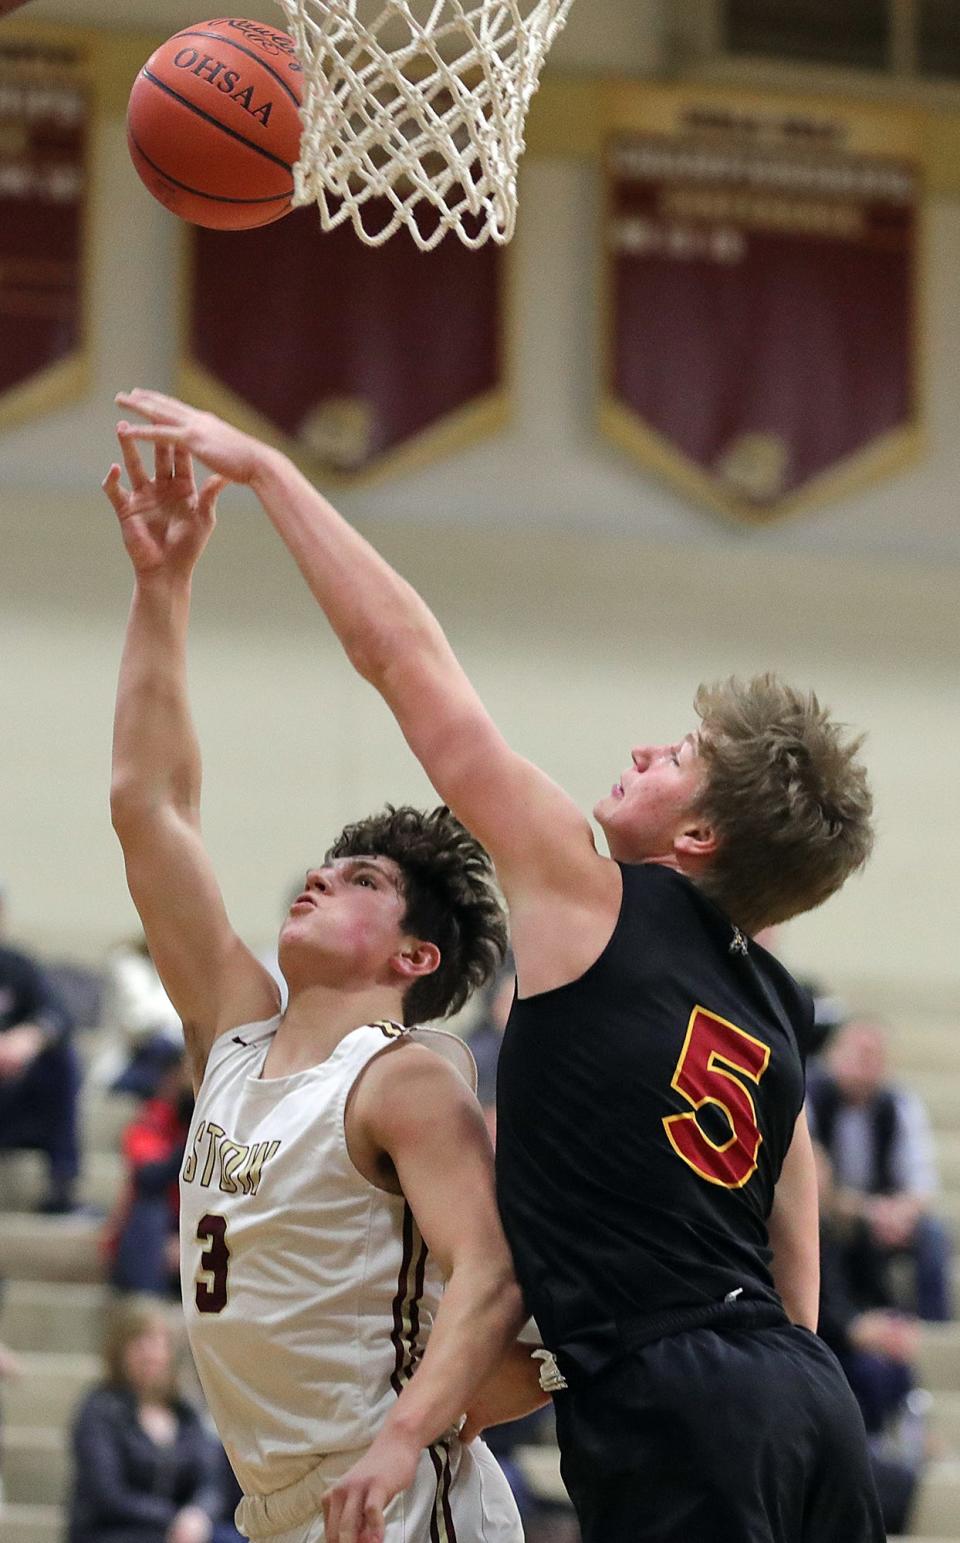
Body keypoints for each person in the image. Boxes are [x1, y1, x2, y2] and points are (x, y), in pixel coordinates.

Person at [111, 388, 885, 1543]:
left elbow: (403, 658)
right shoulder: (759, 996)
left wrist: (273, 473)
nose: (640, 748)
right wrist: (783, 1363)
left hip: (600, 1421)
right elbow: (792, 1180)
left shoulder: (580, 906)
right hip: (788, 1395)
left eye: (677, 754)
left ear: (701, 838)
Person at [102, 423, 538, 1543]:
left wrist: (410, 1435)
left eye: (359, 881)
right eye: (324, 865)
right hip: (277, 1503)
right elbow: (150, 811)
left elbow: (494, 1269)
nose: (317, 879)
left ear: (414, 957)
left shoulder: (404, 1079)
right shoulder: (236, 1031)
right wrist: (163, 585)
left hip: (388, 1495)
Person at [808, 1016, 952, 1321]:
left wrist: (898, 1212)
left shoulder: (899, 1105)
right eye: (859, 1053)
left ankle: (932, 1331)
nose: (866, 1064)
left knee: (933, 1234)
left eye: (875, 1056)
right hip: (834, 1216)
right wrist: (868, 1211)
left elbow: (922, 1183)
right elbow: (815, 1187)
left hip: (884, 1214)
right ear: (833, 1054)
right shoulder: (808, 1099)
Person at [68, 1295, 242, 1543]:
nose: (150, 1354)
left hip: (180, 1533)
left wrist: (198, 1514)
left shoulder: (186, 1414)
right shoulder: (99, 1410)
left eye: (158, 1343)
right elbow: (106, 1496)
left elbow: (211, 1481)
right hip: (114, 1532)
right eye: (139, 1343)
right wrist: (173, 1519)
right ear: (119, 1352)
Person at [0, 922, 81, 1212]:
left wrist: (31, 1036)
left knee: (62, 1059)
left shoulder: (17, 966)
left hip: (14, 1098)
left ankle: (62, 1184)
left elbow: (58, 1014)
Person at [105, 1045, 195, 1297]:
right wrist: (196, 1139)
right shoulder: (152, 1120)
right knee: (149, 1208)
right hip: (151, 1243)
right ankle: (146, 1310)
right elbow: (148, 1178)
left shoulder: (226, 1124)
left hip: (204, 1242)